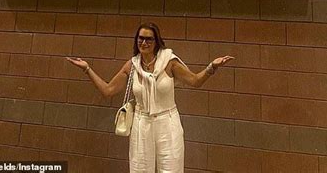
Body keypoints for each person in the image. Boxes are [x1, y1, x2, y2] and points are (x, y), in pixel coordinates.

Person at [66, 22, 234, 172]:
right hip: (141, 123)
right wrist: (86, 69)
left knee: (171, 168)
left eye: (148, 39)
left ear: (156, 41)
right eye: (140, 38)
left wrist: (212, 67)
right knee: (140, 169)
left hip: (167, 122)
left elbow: (195, 80)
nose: (144, 42)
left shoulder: (170, 61)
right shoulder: (133, 65)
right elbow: (108, 90)